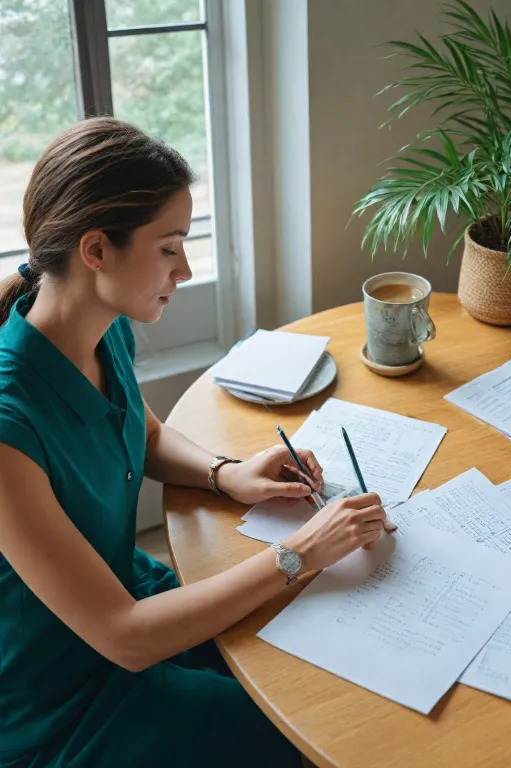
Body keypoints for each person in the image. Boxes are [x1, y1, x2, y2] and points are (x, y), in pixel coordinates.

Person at [0, 118, 393, 767]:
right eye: (168, 247)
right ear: (96, 250)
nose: (184, 268)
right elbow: (123, 639)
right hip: (62, 697)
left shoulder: (102, 329)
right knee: (298, 736)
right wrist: (299, 553)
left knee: (311, 670)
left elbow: (141, 433)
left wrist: (225, 473)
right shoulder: (8, 429)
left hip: (130, 594)